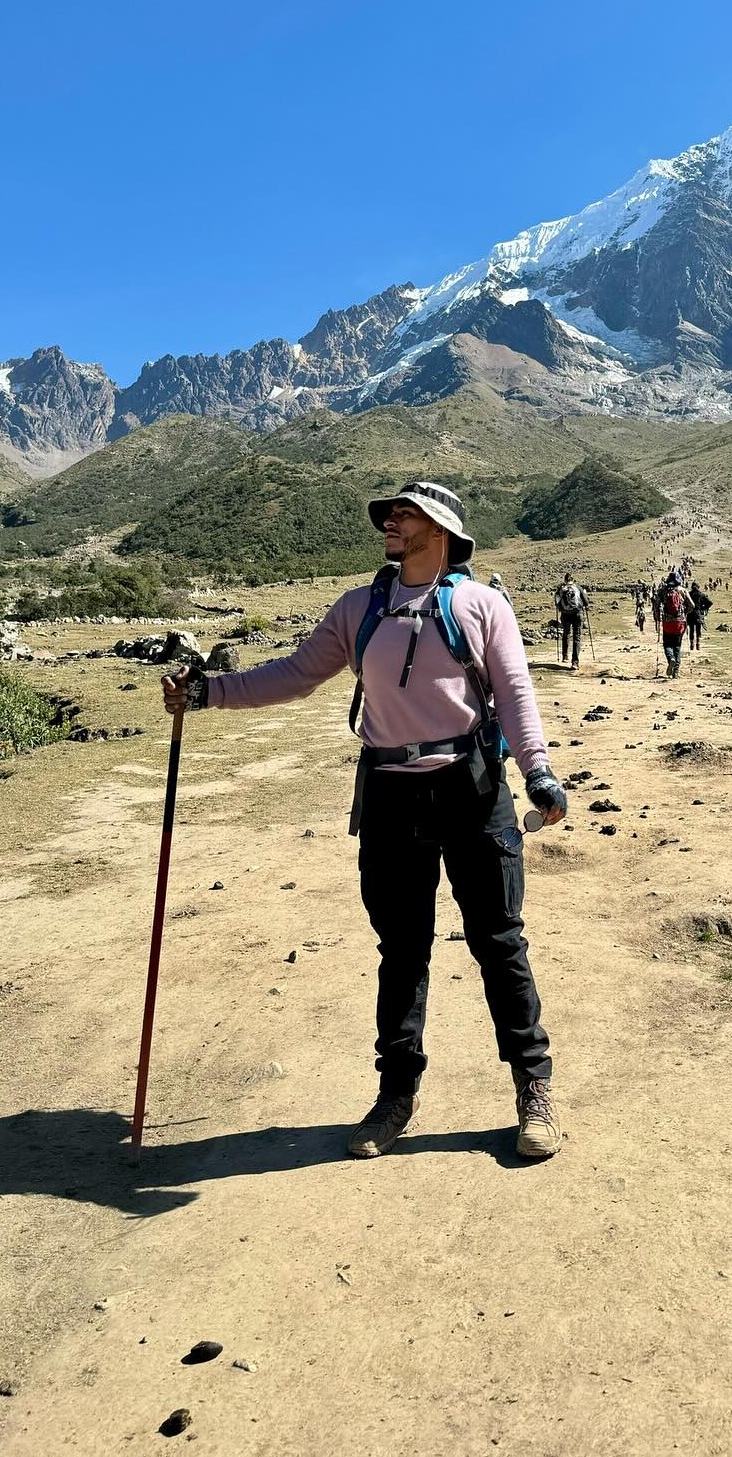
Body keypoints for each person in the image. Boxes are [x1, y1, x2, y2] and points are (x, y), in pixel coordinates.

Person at [161, 480, 568, 1163]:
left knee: (499, 942)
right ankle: (395, 1098)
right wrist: (208, 694)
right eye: (391, 514)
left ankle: (534, 1089)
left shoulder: (482, 605)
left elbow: (517, 695)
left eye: (405, 515)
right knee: (401, 951)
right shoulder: (359, 609)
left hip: (473, 791)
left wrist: (539, 773)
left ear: (440, 531)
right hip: (388, 794)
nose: (391, 522)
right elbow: (295, 675)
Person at [658, 572, 691, 678]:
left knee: (667, 644)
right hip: (680, 623)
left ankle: (671, 659)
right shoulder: (683, 590)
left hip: (667, 623)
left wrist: (658, 618)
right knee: (677, 646)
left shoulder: (663, 591)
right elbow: (692, 605)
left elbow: (656, 604)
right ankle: (675, 672)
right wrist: (685, 612)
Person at [554, 572, 588, 672]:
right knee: (577, 637)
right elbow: (586, 602)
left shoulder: (561, 589)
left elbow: (557, 602)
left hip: (565, 615)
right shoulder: (578, 587)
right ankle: (575, 662)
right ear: (573, 580)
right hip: (577, 614)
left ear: (565, 580)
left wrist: (561, 609)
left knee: (566, 633)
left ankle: (565, 656)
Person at [686, 582, 711, 652]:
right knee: (698, 629)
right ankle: (698, 644)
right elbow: (710, 602)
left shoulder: (689, 594)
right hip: (698, 614)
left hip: (690, 614)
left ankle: (692, 645)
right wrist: (703, 608)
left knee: (691, 629)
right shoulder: (701, 594)